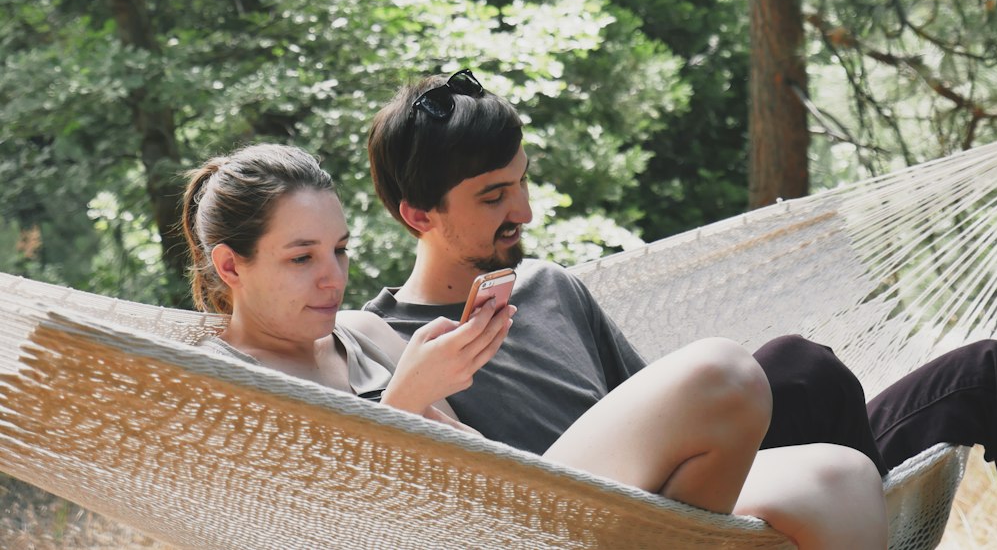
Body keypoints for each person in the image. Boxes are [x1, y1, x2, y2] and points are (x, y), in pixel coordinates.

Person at [181, 141, 888, 550]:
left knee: (842, 476)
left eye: (339, 248)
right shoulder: (219, 380)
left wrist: (446, 386)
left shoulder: (362, 334)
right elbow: (306, 526)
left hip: (523, 512)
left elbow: (481, 467)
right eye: (301, 257)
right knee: (722, 373)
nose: (333, 275)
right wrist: (404, 400)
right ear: (231, 265)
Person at [364, 68, 997, 482]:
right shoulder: (379, 346)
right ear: (418, 214)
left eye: (522, 181)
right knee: (798, 365)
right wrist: (409, 397)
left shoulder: (551, 287)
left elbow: (666, 407)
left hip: (713, 487)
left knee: (981, 374)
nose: (524, 211)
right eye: (494, 196)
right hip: (619, 524)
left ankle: (857, 511)